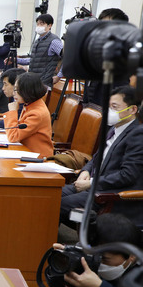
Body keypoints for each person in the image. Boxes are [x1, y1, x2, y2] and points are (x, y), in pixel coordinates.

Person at [59, 86, 143, 228]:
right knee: (49, 196)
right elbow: (97, 158)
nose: (109, 111)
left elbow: (127, 175)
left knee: (58, 205)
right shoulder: (114, 128)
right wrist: (85, 171)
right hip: (92, 185)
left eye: (114, 107)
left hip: (109, 196)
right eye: (108, 106)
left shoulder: (137, 134)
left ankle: (81, 240)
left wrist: (92, 182)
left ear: (133, 109)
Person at [3, 72, 53, 158]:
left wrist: (12, 112)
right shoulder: (30, 104)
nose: (14, 93)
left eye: (17, 90)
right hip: (25, 152)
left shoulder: (36, 113)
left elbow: (13, 136)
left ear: (27, 91)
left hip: (38, 157)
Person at [16, 14, 62, 88]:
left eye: (42, 23)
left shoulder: (54, 41)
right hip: (33, 81)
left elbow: (67, 58)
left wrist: (59, 76)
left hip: (44, 83)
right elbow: (34, 59)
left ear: (49, 25)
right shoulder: (38, 41)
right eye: (37, 24)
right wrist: (16, 60)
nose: (39, 26)